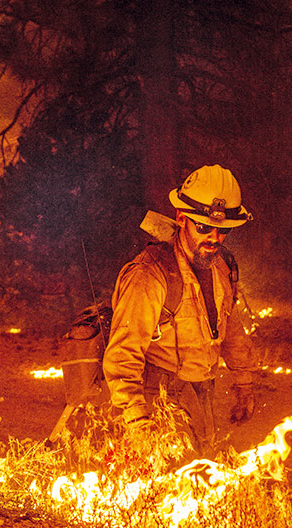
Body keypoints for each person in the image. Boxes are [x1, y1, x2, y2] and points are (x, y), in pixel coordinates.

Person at [102, 164, 259, 452]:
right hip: (156, 400)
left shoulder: (221, 267)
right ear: (181, 218)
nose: (213, 237)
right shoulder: (149, 275)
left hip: (201, 397)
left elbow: (230, 327)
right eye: (203, 227)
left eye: (223, 230)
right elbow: (123, 354)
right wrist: (137, 421)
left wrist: (244, 384)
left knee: (202, 484)